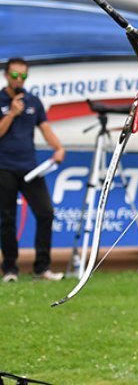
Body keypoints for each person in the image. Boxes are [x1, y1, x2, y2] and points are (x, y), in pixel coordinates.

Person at [0, 58, 66, 282]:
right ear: (6, 75)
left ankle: (42, 268)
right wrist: (11, 113)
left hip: (30, 168)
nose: (19, 80)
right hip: (4, 167)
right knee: (7, 219)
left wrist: (58, 147)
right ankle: (10, 269)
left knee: (46, 213)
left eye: (23, 76)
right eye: (15, 76)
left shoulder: (33, 101)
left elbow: (45, 128)